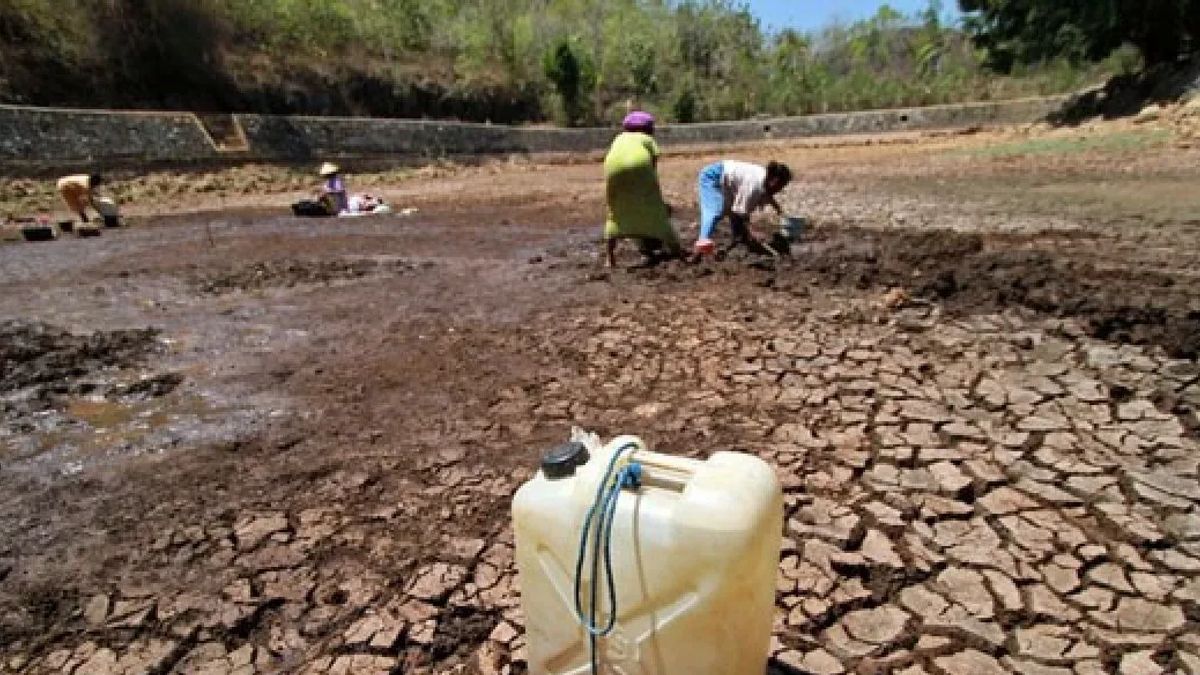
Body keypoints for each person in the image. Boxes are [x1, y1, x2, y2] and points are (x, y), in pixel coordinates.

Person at [602, 111, 682, 267]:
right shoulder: (647, 139)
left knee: (615, 211)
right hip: (641, 167)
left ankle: (609, 258)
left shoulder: (619, 138)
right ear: (649, 129)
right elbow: (652, 167)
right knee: (656, 209)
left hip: (612, 169)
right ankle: (677, 251)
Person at [693, 160, 792, 257]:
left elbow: (766, 192)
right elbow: (740, 212)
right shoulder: (753, 186)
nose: (780, 190)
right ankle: (702, 243)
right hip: (712, 176)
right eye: (780, 186)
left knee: (734, 210)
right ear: (774, 181)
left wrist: (777, 207)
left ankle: (740, 239)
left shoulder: (765, 179)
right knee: (715, 210)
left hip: (727, 180)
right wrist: (752, 231)